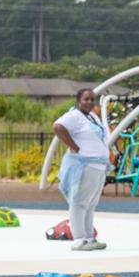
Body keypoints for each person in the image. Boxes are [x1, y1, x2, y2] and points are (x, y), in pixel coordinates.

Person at [53, 88, 112, 250]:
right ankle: (79, 239)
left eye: (92, 99)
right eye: (86, 99)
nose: (90, 102)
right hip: (85, 164)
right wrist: (73, 145)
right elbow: (58, 127)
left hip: (98, 165)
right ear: (79, 101)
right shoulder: (74, 116)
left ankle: (89, 237)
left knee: (91, 203)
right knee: (79, 202)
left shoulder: (92, 116)